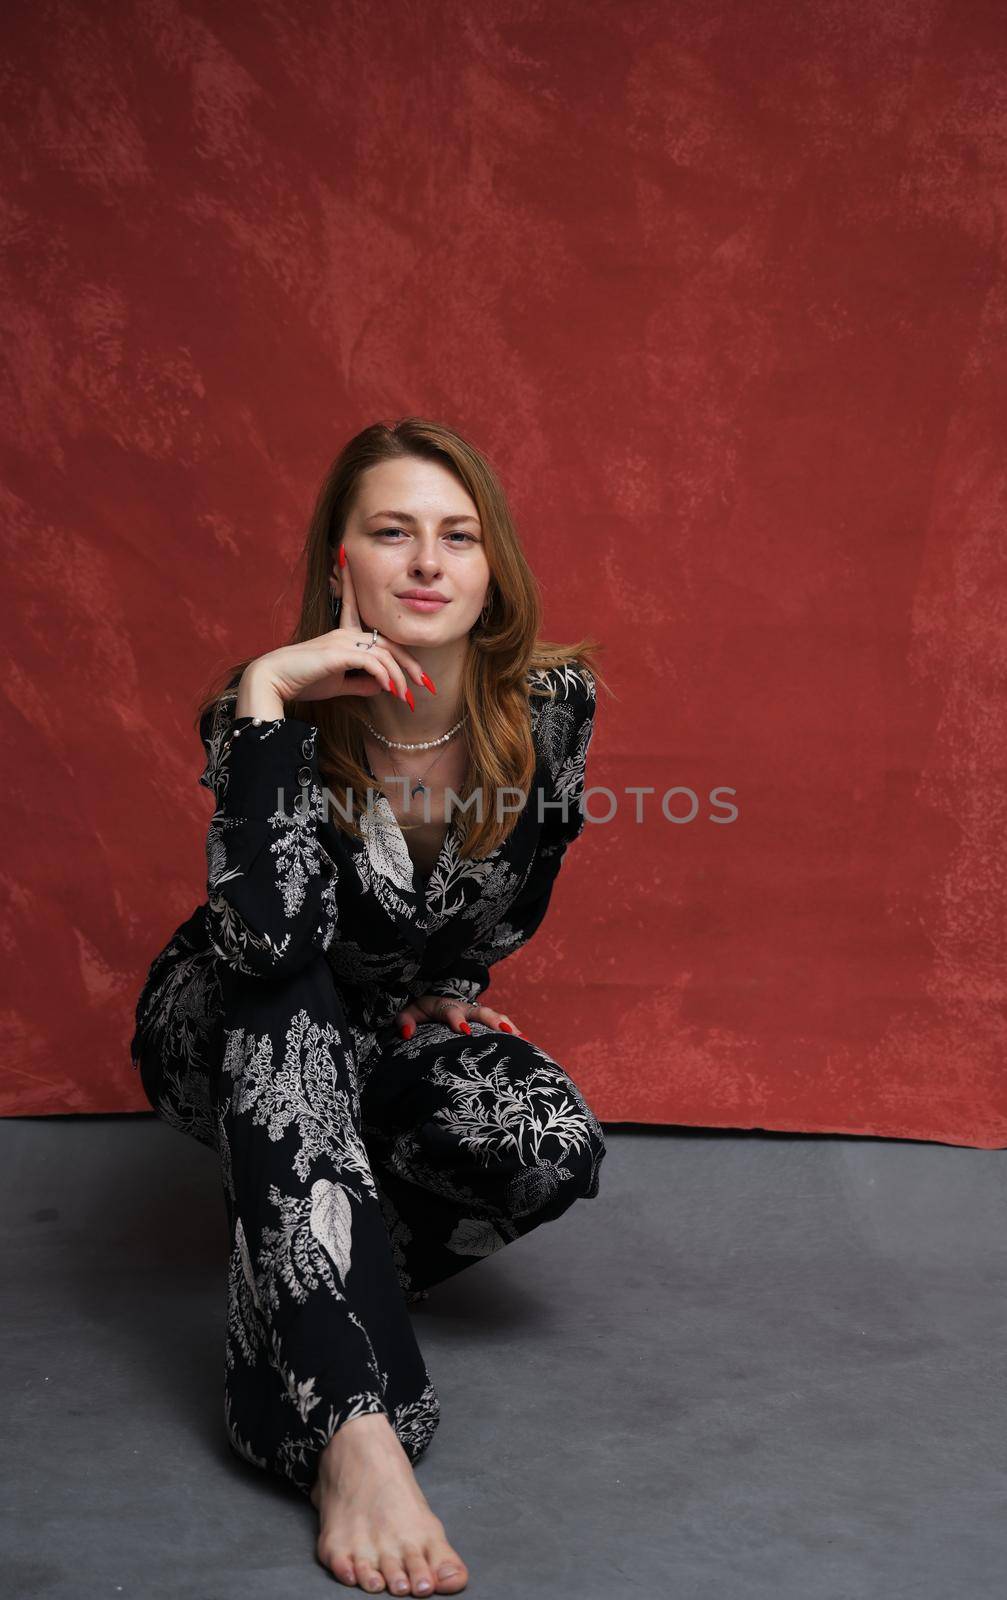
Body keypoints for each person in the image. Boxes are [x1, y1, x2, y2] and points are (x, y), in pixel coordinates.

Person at [129, 417, 609, 1596]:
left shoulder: (551, 706)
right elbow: (265, 934)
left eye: (457, 535)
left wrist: (449, 990)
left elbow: (517, 887)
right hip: (230, 1024)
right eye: (391, 532)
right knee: (285, 992)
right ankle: (352, 1429)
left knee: (542, 1135)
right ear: (340, 562)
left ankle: (298, 1256)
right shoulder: (266, 708)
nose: (428, 561)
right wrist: (266, 696)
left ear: (492, 565)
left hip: (380, 1028)